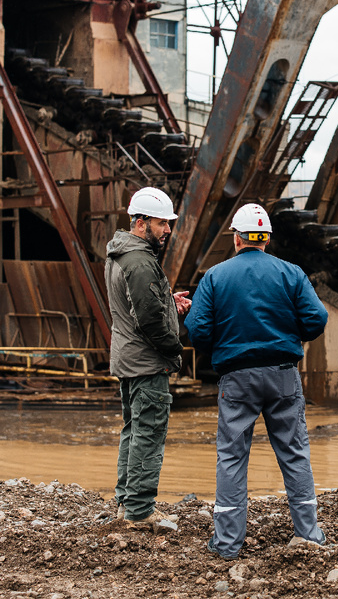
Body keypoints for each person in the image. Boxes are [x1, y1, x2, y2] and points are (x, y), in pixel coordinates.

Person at [183, 203, 328, 560]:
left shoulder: (215, 277)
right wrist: (286, 333)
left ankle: (228, 545)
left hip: (236, 378)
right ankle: (308, 535)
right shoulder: (291, 273)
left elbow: (197, 331)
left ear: (236, 238)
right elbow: (316, 320)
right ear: (266, 239)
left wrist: (225, 341)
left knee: (232, 456)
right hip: (283, 374)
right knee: (294, 452)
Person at [105, 186, 191, 528]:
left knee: (133, 429)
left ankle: (127, 503)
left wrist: (168, 300)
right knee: (149, 431)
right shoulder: (141, 262)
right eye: (161, 223)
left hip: (128, 358)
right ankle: (140, 511)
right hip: (145, 361)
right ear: (140, 223)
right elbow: (149, 320)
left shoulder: (121, 254)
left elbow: (138, 306)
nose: (167, 230)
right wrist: (174, 350)